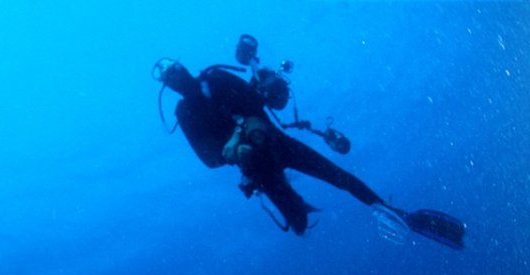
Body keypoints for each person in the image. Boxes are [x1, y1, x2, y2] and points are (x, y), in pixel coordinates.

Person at [153, 35, 465, 249]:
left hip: (275, 142)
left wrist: (259, 101)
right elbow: (209, 158)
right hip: (256, 164)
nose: (173, 73)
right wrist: (234, 146)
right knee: (300, 222)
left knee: (340, 179)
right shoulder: (186, 111)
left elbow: (257, 102)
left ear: (181, 68)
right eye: (168, 74)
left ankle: (399, 214)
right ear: (169, 85)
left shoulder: (216, 78)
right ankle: (388, 215)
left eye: (173, 67)